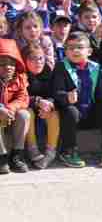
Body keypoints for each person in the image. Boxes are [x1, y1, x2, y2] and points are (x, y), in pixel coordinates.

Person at [53, 32, 102, 168]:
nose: (75, 50)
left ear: (89, 51)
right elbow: (56, 92)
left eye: (80, 47)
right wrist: (66, 97)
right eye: (70, 48)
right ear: (65, 51)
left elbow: (99, 95)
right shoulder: (61, 67)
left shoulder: (95, 67)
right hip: (72, 115)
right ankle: (68, 151)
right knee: (70, 111)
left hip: (91, 113)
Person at [22, 43, 58, 169]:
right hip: (28, 107)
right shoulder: (21, 74)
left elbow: (55, 93)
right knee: (27, 113)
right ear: (25, 60)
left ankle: (50, 151)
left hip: (43, 107)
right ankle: (32, 149)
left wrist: (48, 104)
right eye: (32, 59)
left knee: (53, 113)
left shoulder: (49, 72)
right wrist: (38, 101)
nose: (38, 62)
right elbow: (21, 97)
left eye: (40, 58)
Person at [0, 39, 31, 173]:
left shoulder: (20, 78)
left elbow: (22, 98)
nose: (8, 67)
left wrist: (11, 108)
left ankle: (17, 154)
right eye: (2, 63)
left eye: (11, 63)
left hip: (11, 114)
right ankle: (2, 156)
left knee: (24, 114)